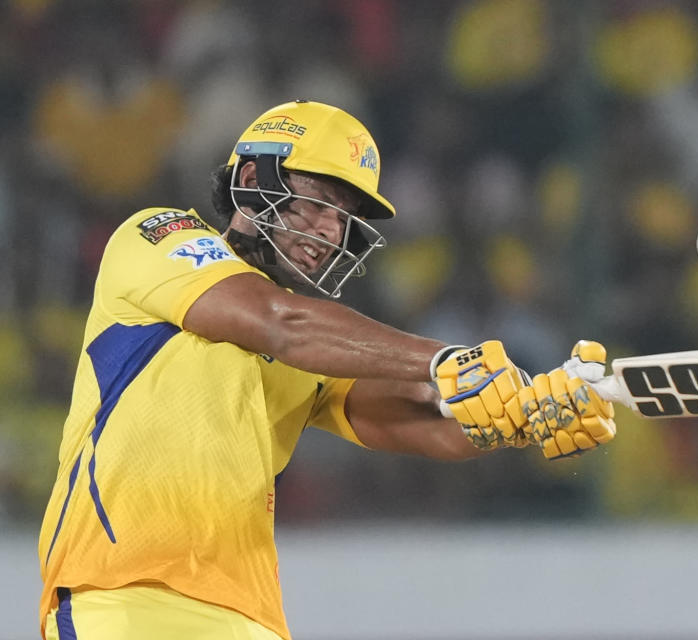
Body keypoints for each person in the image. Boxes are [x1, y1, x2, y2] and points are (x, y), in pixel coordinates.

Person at [37, 100, 617, 640]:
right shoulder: (155, 238)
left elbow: (416, 420)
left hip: (250, 616)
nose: (330, 232)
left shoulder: (313, 349)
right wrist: (445, 361)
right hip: (123, 600)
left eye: (345, 218)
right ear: (250, 181)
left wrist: (523, 415)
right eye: (318, 204)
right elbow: (277, 322)